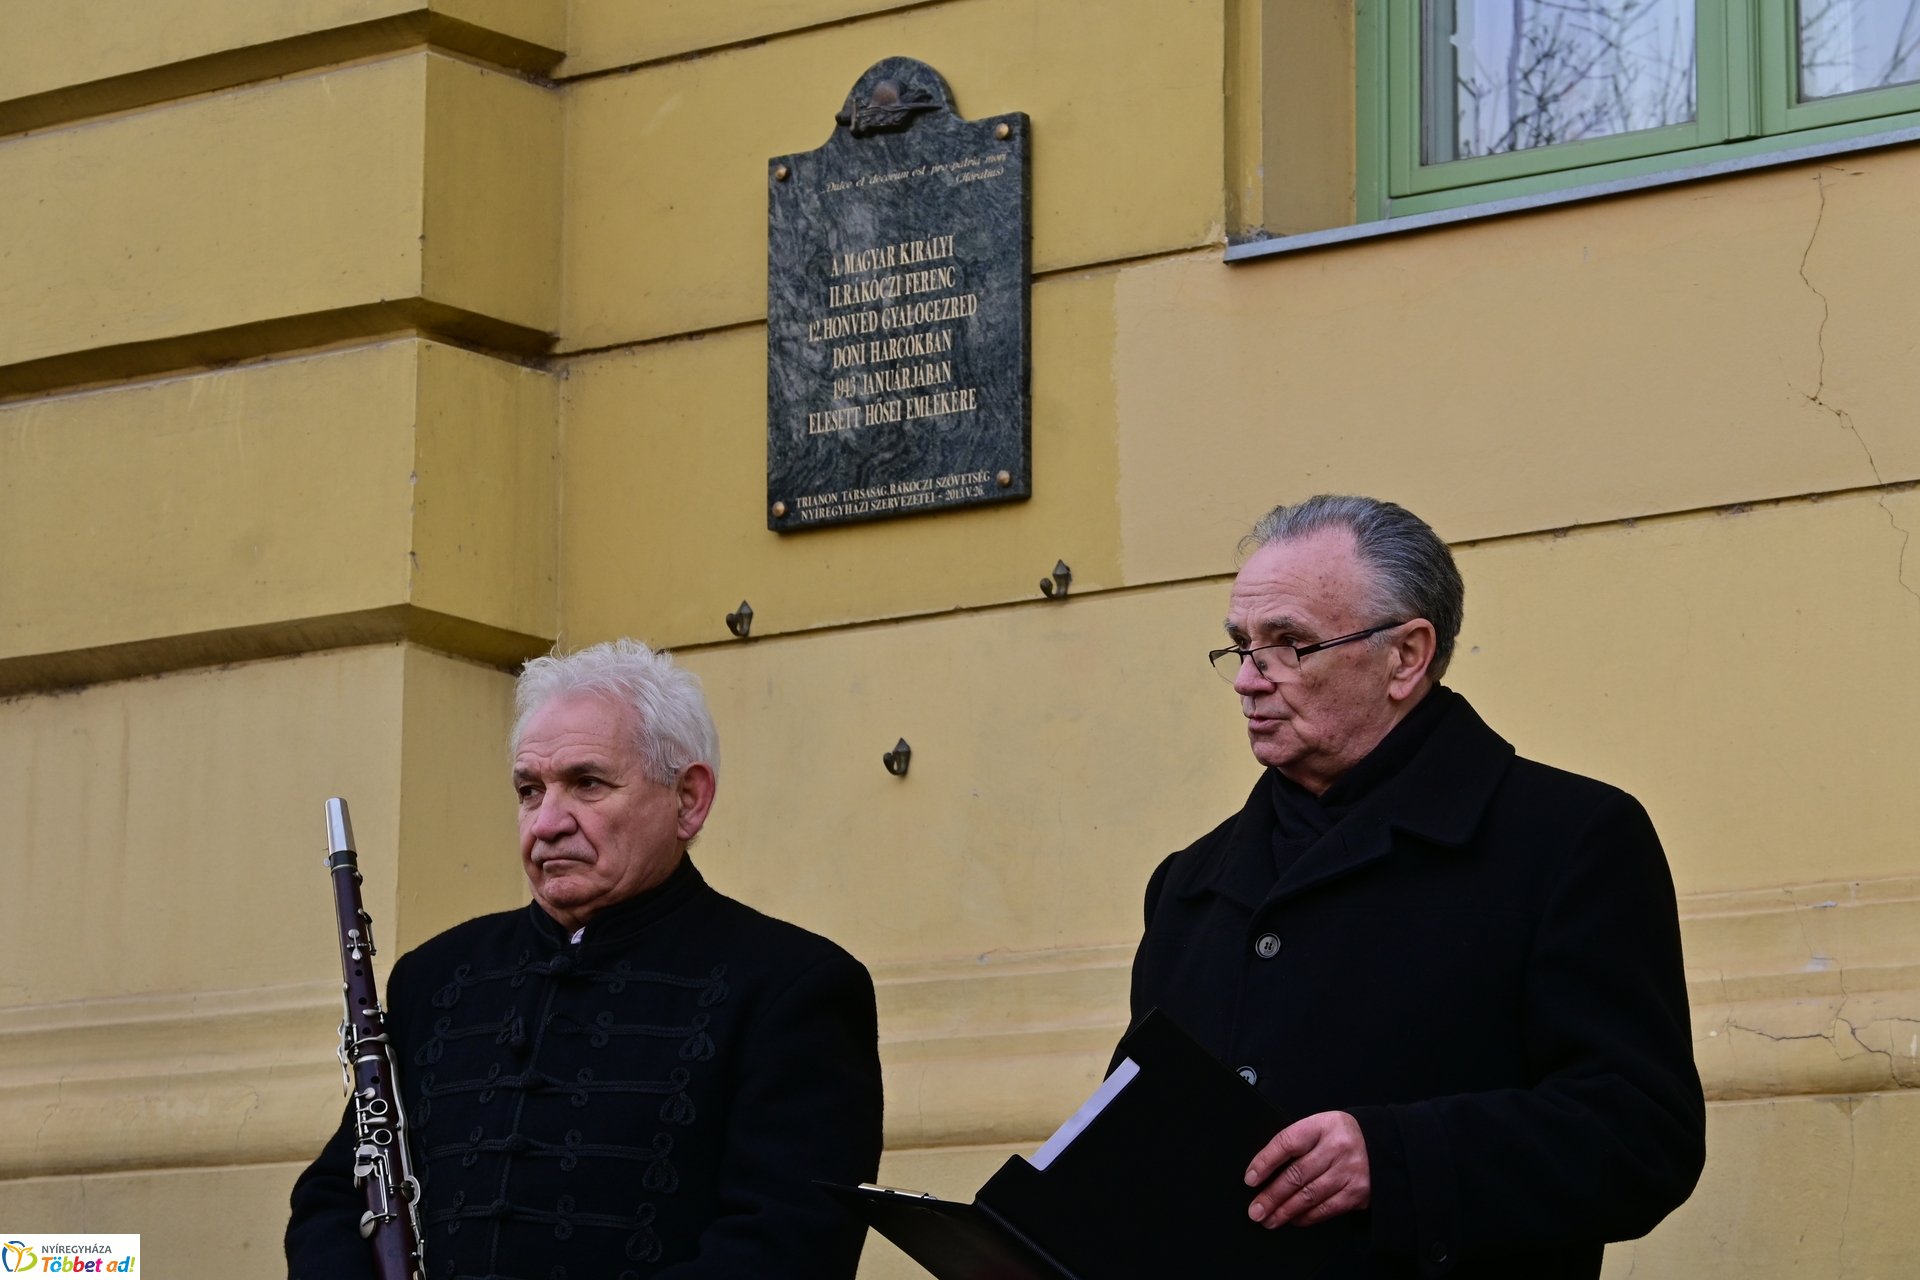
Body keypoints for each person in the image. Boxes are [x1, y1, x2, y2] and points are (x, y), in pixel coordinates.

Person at [1121, 495, 1704, 1279]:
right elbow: (1140, 1138)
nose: (1248, 681)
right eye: (1241, 647)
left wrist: (1396, 1159)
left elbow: (1641, 1137)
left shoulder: (1568, 838)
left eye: (1289, 645)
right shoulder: (1189, 883)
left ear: (1406, 657)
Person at [287, 639, 884, 1279]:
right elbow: (335, 1199)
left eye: (587, 784)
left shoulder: (792, 987)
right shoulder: (435, 979)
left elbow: (784, 1251)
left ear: (688, 800)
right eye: (528, 789)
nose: (546, 823)